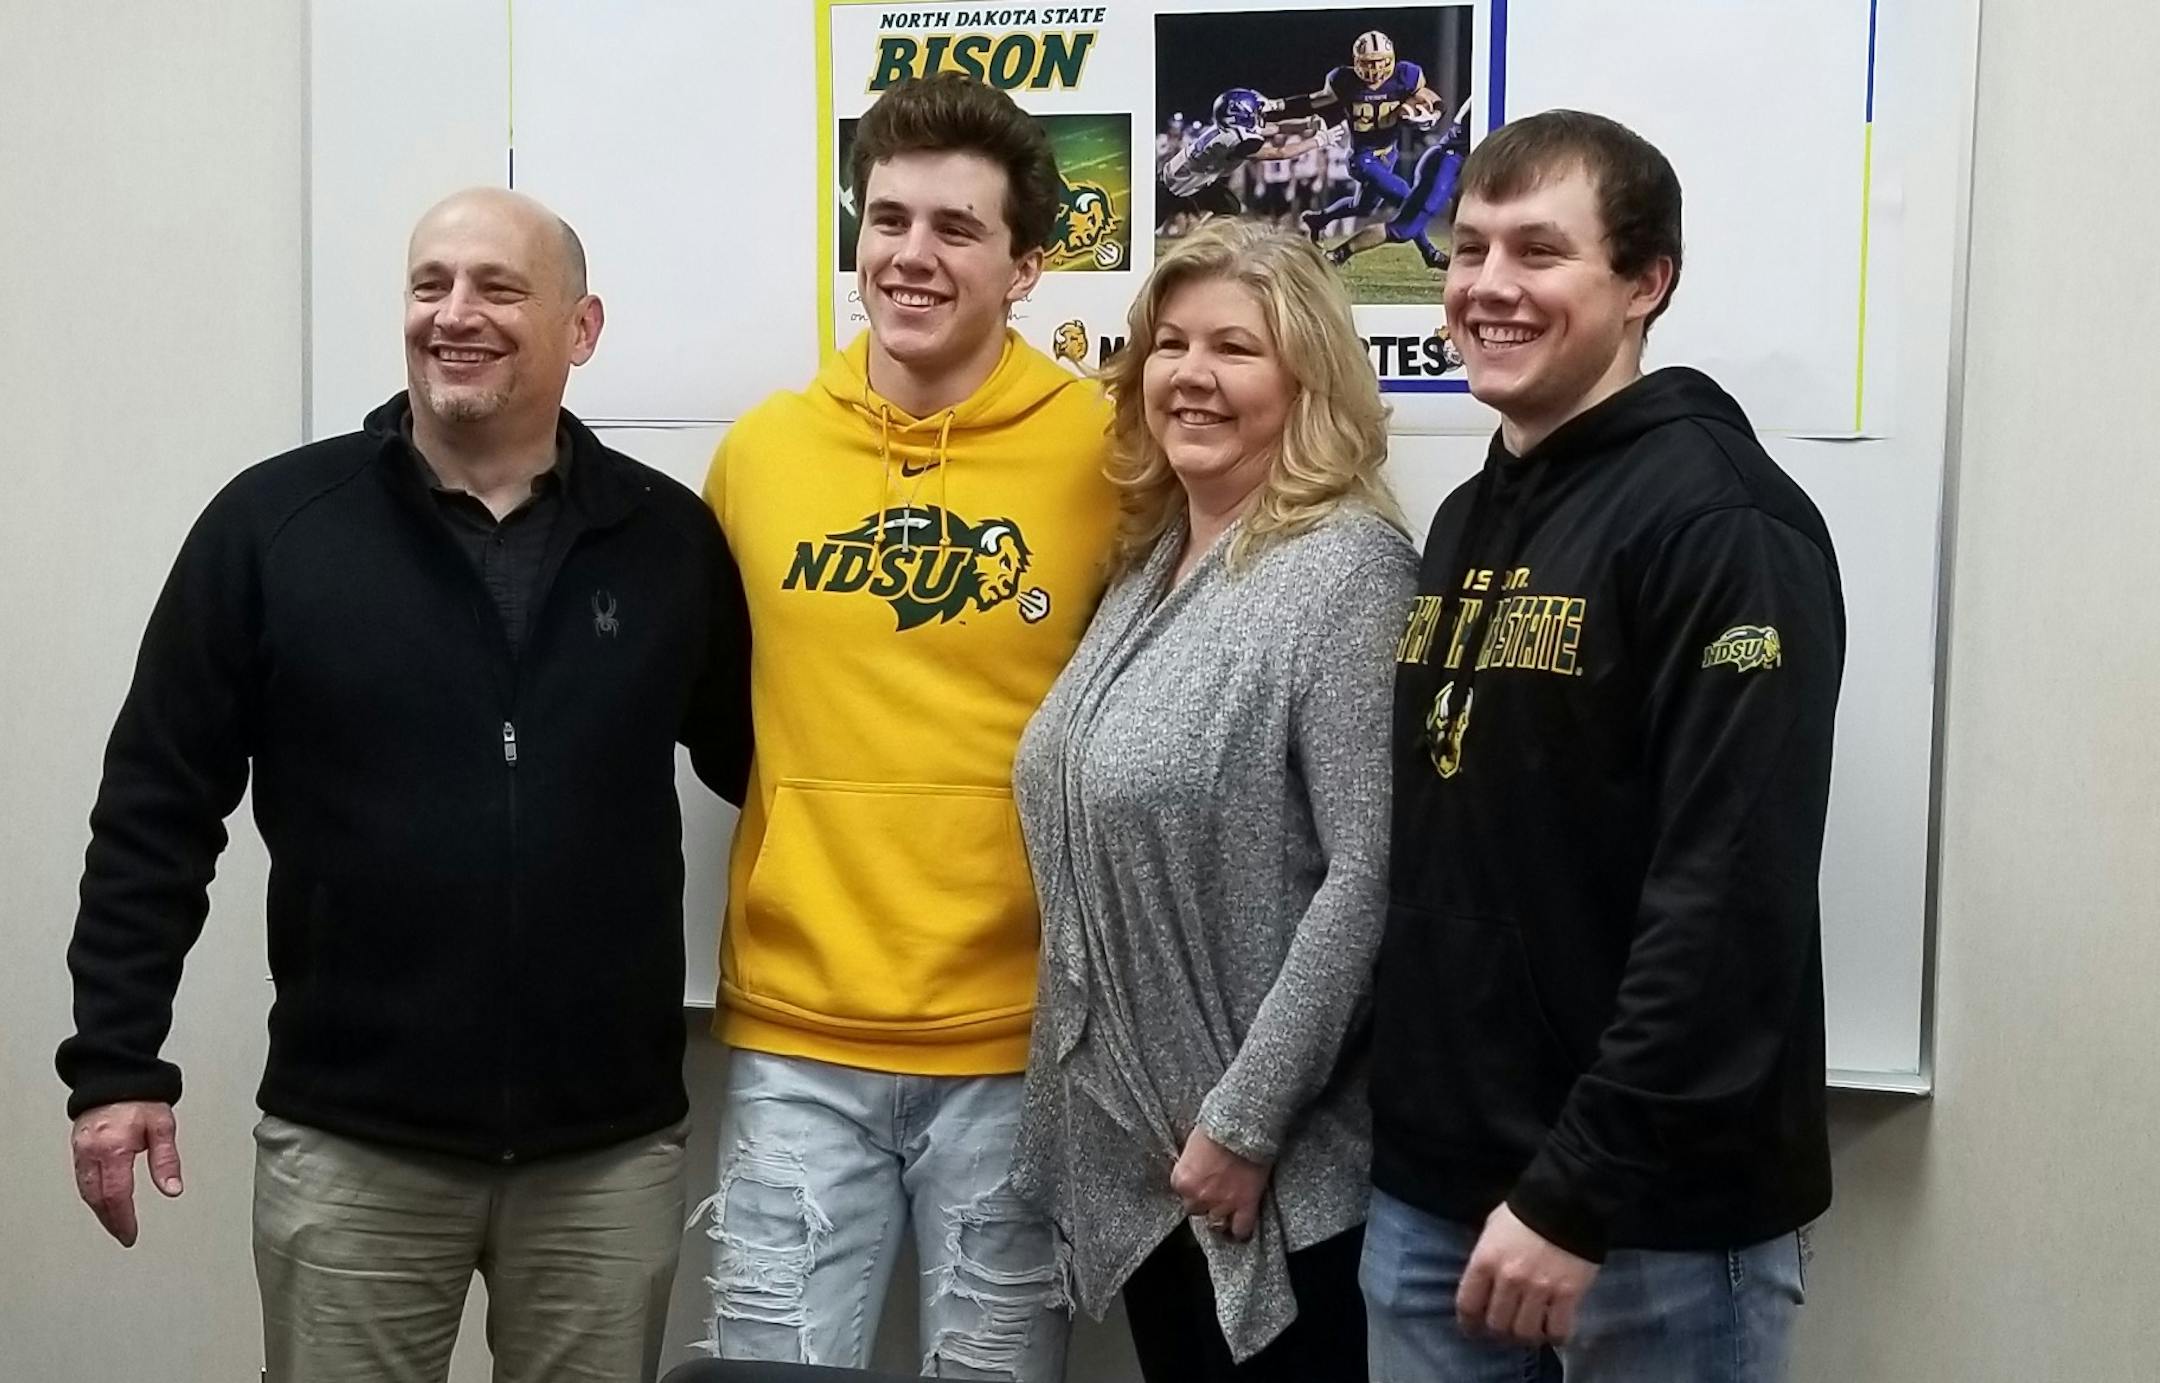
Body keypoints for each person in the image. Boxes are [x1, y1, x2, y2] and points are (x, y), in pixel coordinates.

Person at [57, 187, 752, 1383]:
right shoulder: (277, 525)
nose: (455, 314)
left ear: (581, 328)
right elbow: (154, 810)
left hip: (605, 1152)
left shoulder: (667, 540)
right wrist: (116, 1063)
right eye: (431, 285)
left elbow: (774, 767)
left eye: (497, 288)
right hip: (354, 1144)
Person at [1364, 110, 1844, 1381]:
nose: (1488, 285)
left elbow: (1728, 899)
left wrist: (1579, 1188)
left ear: (1645, 283)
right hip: (1435, 1194)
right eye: (1470, 248)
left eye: (1539, 251)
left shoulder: (1723, 524)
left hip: (1646, 1223)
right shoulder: (1467, 515)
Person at [695, 72, 1117, 1379]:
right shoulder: (761, 455)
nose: (911, 255)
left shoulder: (1112, 456)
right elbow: (717, 711)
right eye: (887, 219)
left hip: (1020, 1041)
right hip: (796, 1034)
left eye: (956, 227)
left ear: (1026, 267)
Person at [1010, 217, 1414, 1382]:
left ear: (1307, 381)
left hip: (1272, 1178)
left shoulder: (1349, 572)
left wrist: (1245, 1122)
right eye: (1170, 344)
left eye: (1234, 348)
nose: (1191, 375)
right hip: (1155, 1167)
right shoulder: (1150, 563)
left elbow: (1368, 875)